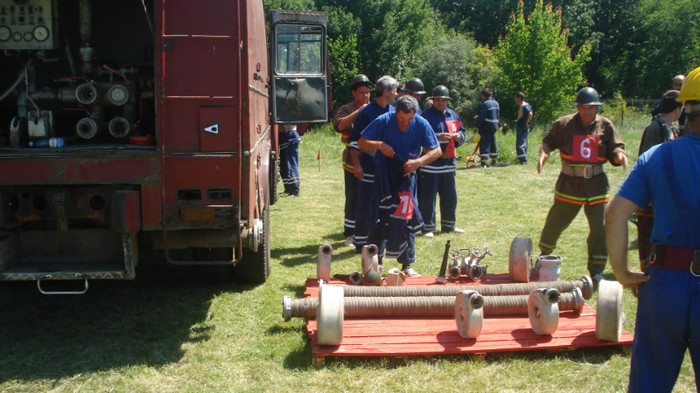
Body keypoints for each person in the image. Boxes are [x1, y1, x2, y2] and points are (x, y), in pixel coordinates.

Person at [605, 65, 700, 393]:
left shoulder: (657, 157)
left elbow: (615, 215)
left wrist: (623, 272)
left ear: (685, 109)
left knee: (649, 384)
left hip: (664, 284)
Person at [535, 87, 628, 282]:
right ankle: (543, 257)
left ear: (596, 108)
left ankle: (596, 271)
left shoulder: (606, 125)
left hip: (596, 185)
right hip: (570, 184)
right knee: (556, 221)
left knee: (601, 227)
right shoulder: (564, 124)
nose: (587, 112)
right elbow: (548, 142)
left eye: (591, 108)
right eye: (583, 108)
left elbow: (616, 147)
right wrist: (543, 154)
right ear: (578, 107)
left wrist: (619, 156)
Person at [358, 95, 441, 276]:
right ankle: (376, 263)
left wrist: (419, 161)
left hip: (407, 174)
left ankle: (406, 265)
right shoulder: (384, 120)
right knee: (379, 217)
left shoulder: (420, 123)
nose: (405, 124)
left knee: (406, 217)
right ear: (395, 111)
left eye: (409, 119)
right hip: (384, 175)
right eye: (401, 119)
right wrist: (380, 145)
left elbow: (437, 150)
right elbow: (361, 142)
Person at [633, 90, 684, 269]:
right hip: (651, 201)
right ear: (678, 109)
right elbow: (649, 166)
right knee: (649, 246)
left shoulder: (672, 128)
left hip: (665, 199)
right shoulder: (655, 129)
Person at [348, 75, 398, 253]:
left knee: (385, 205)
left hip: (387, 168)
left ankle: (380, 241)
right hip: (368, 165)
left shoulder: (393, 111)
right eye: (394, 90)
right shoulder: (367, 112)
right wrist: (357, 165)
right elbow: (353, 141)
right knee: (366, 203)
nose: (396, 93)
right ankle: (360, 243)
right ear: (386, 92)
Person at [418, 85, 466, 237]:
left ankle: (449, 225)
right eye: (438, 100)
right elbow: (419, 137)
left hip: (449, 164)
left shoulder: (452, 115)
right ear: (433, 100)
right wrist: (438, 138)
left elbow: (462, 131)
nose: (441, 103)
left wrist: (459, 137)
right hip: (431, 165)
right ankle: (428, 228)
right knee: (428, 198)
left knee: (450, 197)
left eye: (444, 100)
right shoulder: (425, 116)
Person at [333, 74, 373, 246]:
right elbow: (339, 125)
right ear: (353, 93)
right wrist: (359, 112)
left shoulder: (375, 108)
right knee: (353, 197)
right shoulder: (346, 108)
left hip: (371, 159)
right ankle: (350, 233)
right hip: (352, 159)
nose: (365, 96)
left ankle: (366, 230)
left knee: (369, 197)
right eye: (361, 92)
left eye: (367, 93)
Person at [473, 88, 500, 167]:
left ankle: (483, 162)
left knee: (484, 142)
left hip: (486, 125)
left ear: (483, 95)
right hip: (494, 125)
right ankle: (494, 160)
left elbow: (482, 117)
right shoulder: (496, 103)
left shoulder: (485, 104)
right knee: (492, 141)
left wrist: (476, 125)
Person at [278, 124, 301, 196]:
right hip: (284, 137)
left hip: (289, 137)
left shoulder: (289, 113)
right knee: (284, 166)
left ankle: (294, 190)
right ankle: (288, 188)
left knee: (290, 165)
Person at [514, 92, 534, 165]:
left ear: (519, 98)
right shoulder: (523, 105)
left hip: (523, 127)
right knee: (523, 143)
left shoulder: (524, 106)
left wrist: (526, 123)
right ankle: (523, 160)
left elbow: (530, 114)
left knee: (520, 144)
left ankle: (523, 161)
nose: (514, 99)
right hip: (522, 127)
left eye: (515, 98)